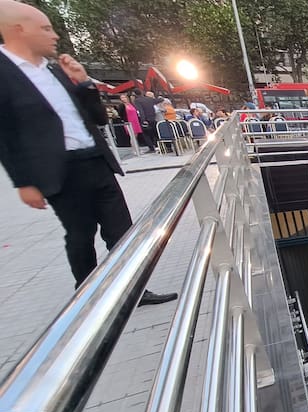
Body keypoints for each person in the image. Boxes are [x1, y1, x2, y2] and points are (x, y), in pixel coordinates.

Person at [0, 0, 176, 305]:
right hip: (60, 170)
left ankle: (133, 289)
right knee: (81, 236)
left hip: (96, 162)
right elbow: (5, 133)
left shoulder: (56, 71)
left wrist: (84, 84)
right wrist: (23, 182)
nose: (54, 35)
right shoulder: (5, 74)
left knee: (122, 232)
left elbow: (96, 117)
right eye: (45, 28)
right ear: (18, 30)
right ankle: (88, 295)